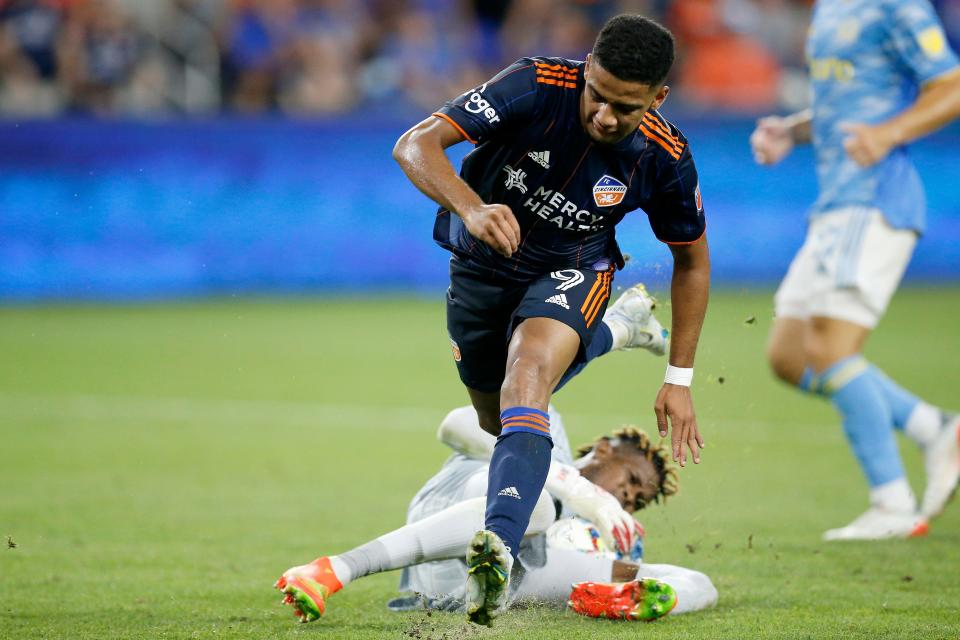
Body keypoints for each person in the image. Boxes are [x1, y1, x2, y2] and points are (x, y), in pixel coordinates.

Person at [391, 13, 710, 625]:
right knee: (496, 419)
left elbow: (692, 261)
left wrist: (681, 378)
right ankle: (618, 330)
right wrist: (472, 205)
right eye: (599, 95)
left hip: (572, 269)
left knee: (528, 381)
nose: (606, 117)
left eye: (627, 107)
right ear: (586, 68)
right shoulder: (534, 84)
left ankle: (498, 550)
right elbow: (415, 143)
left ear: (659, 98)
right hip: (482, 267)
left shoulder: (665, 157)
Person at [750, 0, 960, 541]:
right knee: (789, 354)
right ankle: (934, 427)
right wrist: (791, 131)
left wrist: (889, 134)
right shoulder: (830, 11)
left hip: (874, 201)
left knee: (830, 348)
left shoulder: (897, 5)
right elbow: (847, 106)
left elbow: (952, 85)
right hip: (836, 207)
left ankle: (892, 503)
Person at [274, 405, 718, 624]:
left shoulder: (595, 526)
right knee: (535, 501)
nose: (627, 497)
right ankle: (337, 568)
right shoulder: (547, 428)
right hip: (454, 511)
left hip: (497, 578)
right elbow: (455, 425)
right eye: (632, 479)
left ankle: (630, 601)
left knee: (700, 583)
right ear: (604, 449)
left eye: (636, 500)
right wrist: (578, 488)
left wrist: (618, 563)